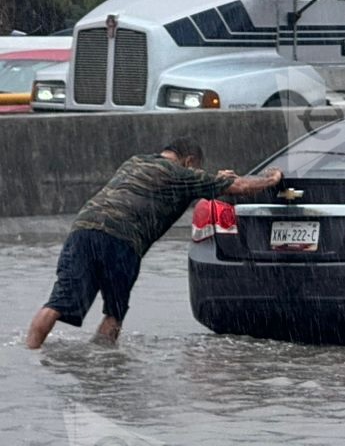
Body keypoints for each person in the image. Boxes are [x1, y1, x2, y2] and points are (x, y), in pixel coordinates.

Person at [25, 139, 282, 349]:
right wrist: (271, 180)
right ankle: (103, 366)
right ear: (190, 160)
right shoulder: (182, 174)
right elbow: (238, 186)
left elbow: (171, 186)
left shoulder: (135, 162)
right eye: (195, 167)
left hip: (83, 230)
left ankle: (31, 354)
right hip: (122, 239)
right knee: (114, 312)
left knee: (58, 302)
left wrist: (210, 179)